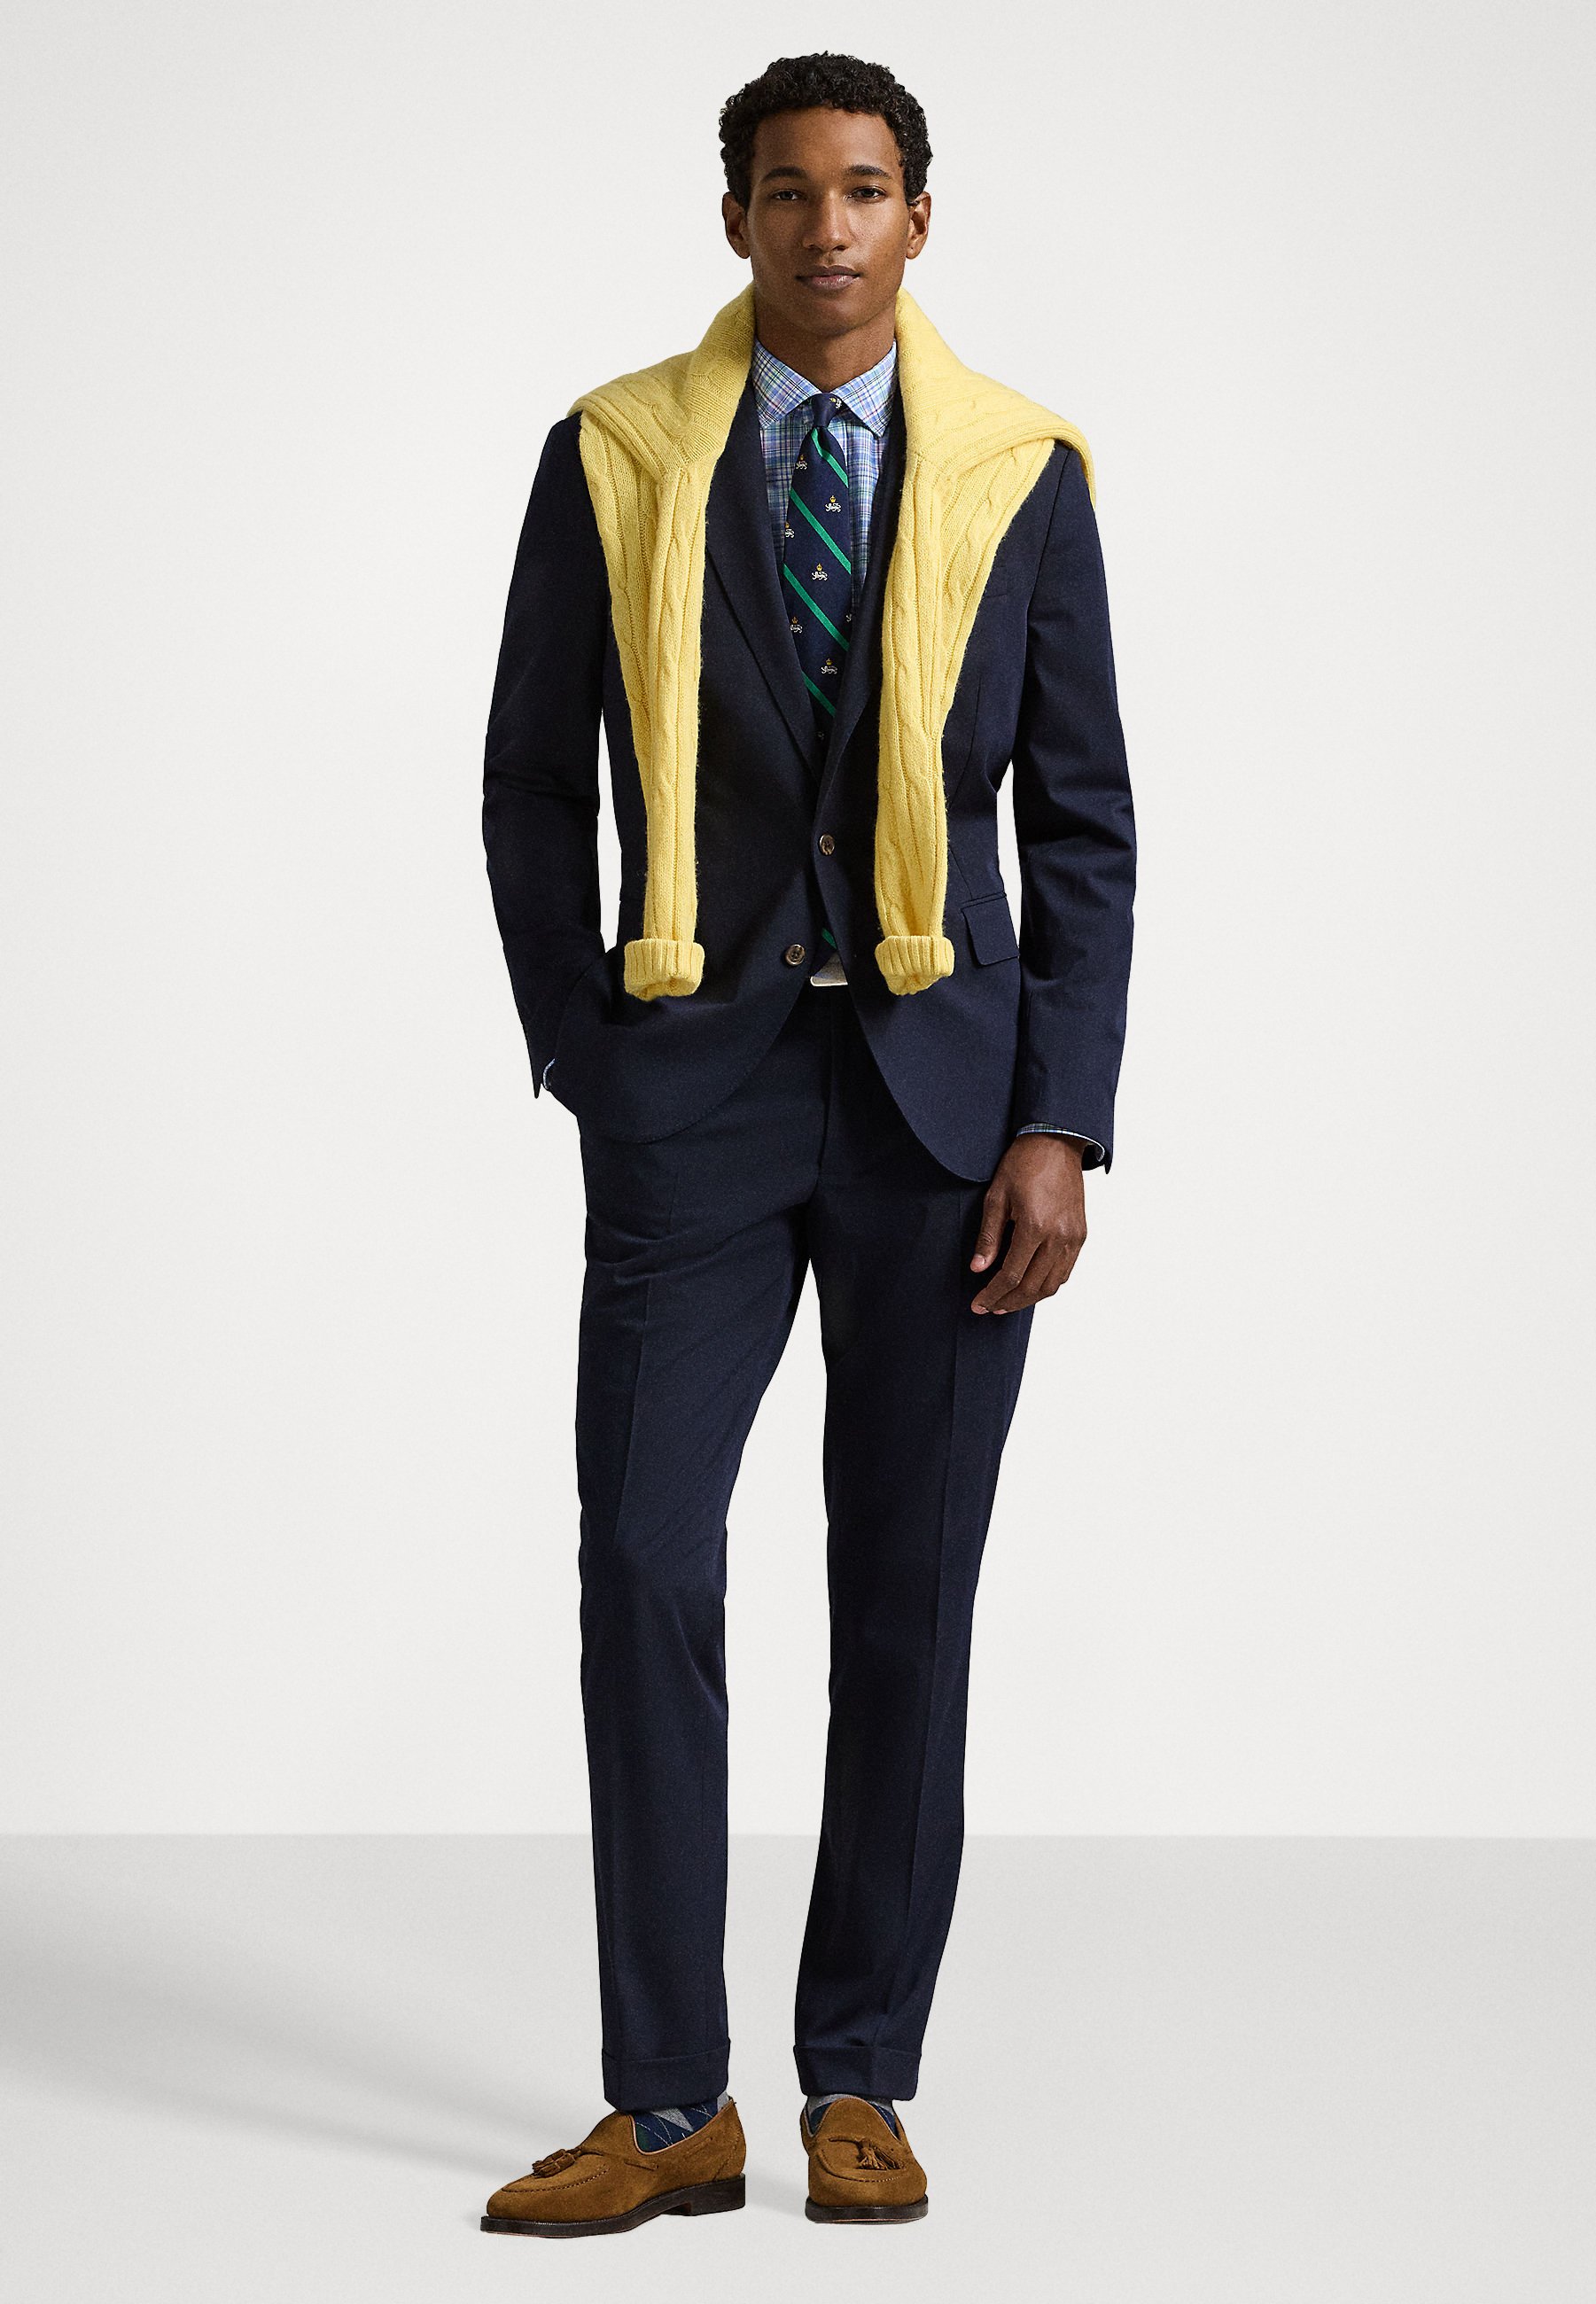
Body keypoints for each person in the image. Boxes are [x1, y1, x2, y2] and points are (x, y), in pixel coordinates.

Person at [478, 51, 1135, 2238]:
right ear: (735, 219)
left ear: (916, 219)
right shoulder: (615, 455)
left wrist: (1058, 1119)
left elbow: (1084, 824)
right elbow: (526, 777)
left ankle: (860, 2075)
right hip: (694, 1093)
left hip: (948, 1115)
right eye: (787, 190)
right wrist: (584, 1041)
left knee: (905, 1597)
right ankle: (668, 2100)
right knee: (647, 1562)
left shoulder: (1021, 471)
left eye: (863, 190)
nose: (826, 226)